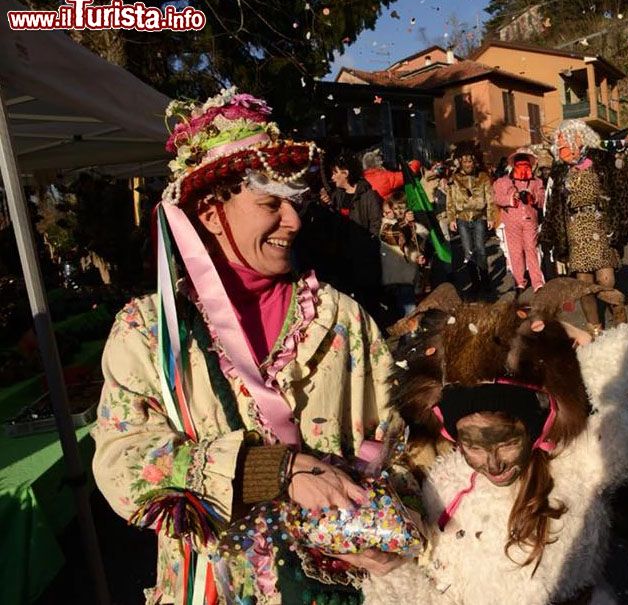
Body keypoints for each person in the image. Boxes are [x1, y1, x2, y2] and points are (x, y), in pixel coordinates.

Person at [92, 88, 401, 604]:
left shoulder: (342, 319)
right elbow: (121, 465)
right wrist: (270, 470)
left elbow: (399, 439)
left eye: (295, 203)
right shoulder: (151, 333)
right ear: (212, 214)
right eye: (270, 204)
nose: (295, 220)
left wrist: (385, 521)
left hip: (337, 590)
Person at [361, 279, 628, 604]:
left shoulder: (575, 464)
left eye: (505, 441)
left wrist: (574, 353)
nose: (493, 462)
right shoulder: (443, 485)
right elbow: (440, 591)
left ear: (535, 427)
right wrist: (391, 570)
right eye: (473, 445)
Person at [540, 119, 628, 335]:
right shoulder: (559, 172)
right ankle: (596, 330)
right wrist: (548, 235)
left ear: (581, 138)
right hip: (575, 229)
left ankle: (620, 321)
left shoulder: (603, 160)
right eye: (562, 143)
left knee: (606, 278)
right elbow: (554, 207)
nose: (565, 147)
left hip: (601, 225)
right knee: (583, 285)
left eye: (569, 140)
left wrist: (624, 224)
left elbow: (622, 193)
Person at [317, 152, 384, 318]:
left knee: (368, 297)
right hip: (344, 255)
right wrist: (327, 206)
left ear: (345, 173)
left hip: (364, 256)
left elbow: (376, 223)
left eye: (335, 172)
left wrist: (369, 245)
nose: (333, 177)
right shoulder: (337, 195)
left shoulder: (367, 194)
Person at [445, 142, 496, 297]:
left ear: (474, 162)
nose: (467, 164)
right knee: (468, 252)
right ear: (461, 162)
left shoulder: (483, 177)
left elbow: (490, 198)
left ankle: (485, 281)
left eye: (470, 161)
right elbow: (450, 200)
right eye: (465, 161)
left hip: (479, 217)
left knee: (480, 250)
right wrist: (452, 218)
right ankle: (474, 283)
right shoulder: (454, 179)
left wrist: (491, 216)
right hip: (462, 219)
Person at [493, 147, 546, 296]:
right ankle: (520, 282)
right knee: (515, 252)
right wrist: (511, 198)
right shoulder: (503, 181)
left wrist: (533, 197)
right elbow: (496, 199)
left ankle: (537, 282)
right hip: (511, 222)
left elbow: (542, 201)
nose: (523, 165)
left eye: (526, 161)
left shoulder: (537, 182)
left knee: (531, 249)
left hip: (530, 221)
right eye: (519, 161)